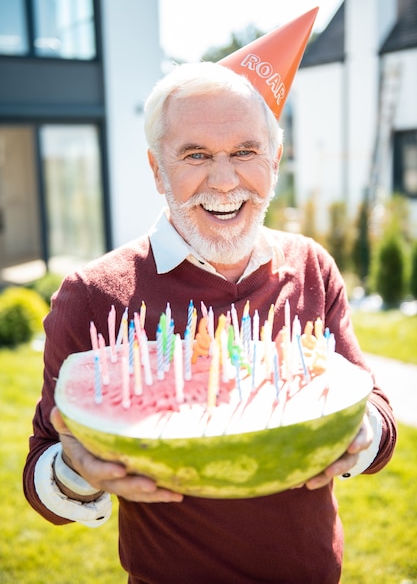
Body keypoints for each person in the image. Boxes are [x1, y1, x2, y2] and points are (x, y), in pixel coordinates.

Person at [24, 61, 397, 584]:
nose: (224, 181)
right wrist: (76, 472)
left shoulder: (313, 267)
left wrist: (363, 433)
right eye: (195, 155)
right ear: (157, 170)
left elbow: (376, 409)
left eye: (245, 152)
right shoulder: (92, 295)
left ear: (275, 160)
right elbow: (43, 470)